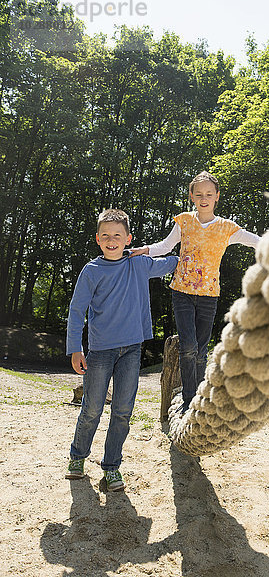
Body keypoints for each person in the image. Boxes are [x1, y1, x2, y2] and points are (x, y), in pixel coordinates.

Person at [65, 208, 178, 491]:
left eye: (117, 235)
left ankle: (112, 466)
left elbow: (174, 262)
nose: (112, 240)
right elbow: (77, 311)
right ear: (97, 239)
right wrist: (75, 348)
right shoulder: (91, 271)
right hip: (100, 351)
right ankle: (77, 457)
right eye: (106, 236)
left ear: (128, 239)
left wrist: (196, 240)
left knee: (123, 411)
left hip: (131, 350)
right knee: (91, 409)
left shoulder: (139, 264)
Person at [130, 171, 260, 415]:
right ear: (191, 196)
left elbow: (254, 241)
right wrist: (144, 250)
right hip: (182, 292)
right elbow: (166, 246)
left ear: (217, 197)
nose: (204, 198)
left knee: (201, 350)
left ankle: (200, 396)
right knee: (188, 346)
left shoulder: (226, 228)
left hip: (209, 295)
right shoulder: (185, 222)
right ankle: (188, 399)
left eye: (209, 194)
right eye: (199, 194)